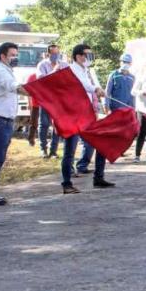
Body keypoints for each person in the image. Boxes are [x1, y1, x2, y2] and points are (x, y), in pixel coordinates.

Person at [61, 44, 114, 194]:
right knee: (69, 150)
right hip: (73, 114)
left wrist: (97, 91)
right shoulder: (71, 70)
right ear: (78, 56)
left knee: (101, 142)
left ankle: (98, 177)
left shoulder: (86, 71)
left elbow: (90, 85)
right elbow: (82, 85)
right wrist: (95, 89)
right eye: (87, 54)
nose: (89, 58)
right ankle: (66, 184)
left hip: (87, 113)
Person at [0, 42, 27, 209]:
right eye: (12, 55)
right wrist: (35, 90)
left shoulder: (7, 71)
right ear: (3, 56)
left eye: (16, 55)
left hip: (5, 121)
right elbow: (15, 88)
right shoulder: (1, 72)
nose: (15, 58)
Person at [35, 44, 68, 158]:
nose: (56, 55)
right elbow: (41, 80)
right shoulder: (42, 65)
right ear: (48, 54)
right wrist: (54, 71)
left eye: (58, 53)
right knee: (44, 124)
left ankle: (53, 150)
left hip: (59, 99)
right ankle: (43, 149)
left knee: (57, 125)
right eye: (53, 53)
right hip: (46, 98)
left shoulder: (64, 65)